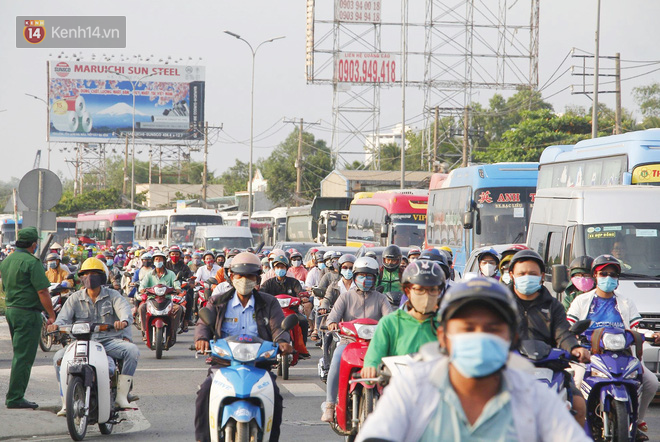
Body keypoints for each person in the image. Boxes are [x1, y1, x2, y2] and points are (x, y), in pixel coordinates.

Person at [356, 278, 591, 442]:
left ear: (513, 338)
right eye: (467, 328)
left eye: (492, 329)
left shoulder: (534, 397)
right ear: (443, 337)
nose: (479, 337)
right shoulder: (414, 389)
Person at [194, 252, 293, 442]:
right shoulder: (218, 301)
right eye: (240, 276)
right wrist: (201, 338)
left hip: (259, 364)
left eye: (250, 276)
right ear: (232, 277)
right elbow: (203, 324)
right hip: (224, 364)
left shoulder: (269, 302)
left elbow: (278, 327)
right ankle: (202, 438)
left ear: (257, 278)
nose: (244, 280)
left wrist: (282, 342)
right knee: (204, 392)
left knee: (276, 397)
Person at [566, 254, 659, 440]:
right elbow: (569, 326)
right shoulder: (581, 301)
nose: (608, 278)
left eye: (612, 274)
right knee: (574, 382)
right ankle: (574, 422)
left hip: (622, 355)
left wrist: (653, 335)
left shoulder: (626, 302)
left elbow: (636, 328)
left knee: (651, 382)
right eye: (603, 274)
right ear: (595, 276)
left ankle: (637, 421)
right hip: (588, 355)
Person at [507, 249, 590, 426]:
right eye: (521, 273)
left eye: (532, 273)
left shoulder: (553, 305)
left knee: (579, 406)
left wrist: (575, 348)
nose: (526, 277)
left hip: (550, 368)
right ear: (512, 275)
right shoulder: (500, 302)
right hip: (510, 369)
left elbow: (563, 333)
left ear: (542, 276)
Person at [48, 257, 139, 415]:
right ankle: (65, 402)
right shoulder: (74, 298)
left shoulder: (113, 295)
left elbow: (124, 310)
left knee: (132, 351)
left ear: (102, 276)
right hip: (80, 342)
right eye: (86, 274)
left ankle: (122, 396)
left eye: (94, 273)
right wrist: (56, 325)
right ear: (81, 278)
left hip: (107, 342)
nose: (90, 277)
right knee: (58, 358)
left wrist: (123, 321)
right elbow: (63, 318)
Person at [321, 256, 393, 423]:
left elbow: (389, 319)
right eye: (361, 275)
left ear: (375, 278)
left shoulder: (381, 298)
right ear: (354, 277)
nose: (365, 279)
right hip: (349, 343)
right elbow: (332, 318)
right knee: (336, 360)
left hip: (376, 345)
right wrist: (332, 324)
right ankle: (330, 404)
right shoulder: (345, 297)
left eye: (369, 276)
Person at [361, 260, 446, 380]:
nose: (426, 295)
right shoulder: (390, 323)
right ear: (407, 291)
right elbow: (374, 356)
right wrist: (370, 368)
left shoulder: (446, 324)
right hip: (397, 392)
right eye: (420, 289)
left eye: (432, 290)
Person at [1, 227, 55, 409]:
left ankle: (14, 395)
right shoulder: (32, 262)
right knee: (24, 357)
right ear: (34, 244)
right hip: (27, 313)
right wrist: (51, 314)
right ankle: (15, 397)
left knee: (19, 354)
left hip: (11, 310)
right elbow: (42, 291)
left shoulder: (8, 260)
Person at [260, 253, 309, 358]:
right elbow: (261, 293)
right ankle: (263, 349)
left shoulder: (294, 282)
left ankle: (301, 349)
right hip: (273, 313)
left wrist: (303, 297)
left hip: (292, 312)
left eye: (282, 267)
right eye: (278, 267)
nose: (280, 269)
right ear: (274, 268)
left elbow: (300, 292)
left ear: (286, 268)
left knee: (303, 321)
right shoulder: (268, 283)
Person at [139, 251, 183, 342]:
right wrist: (142, 289)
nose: (158, 261)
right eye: (156, 259)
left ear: (164, 261)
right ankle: (144, 331)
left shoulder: (171, 274)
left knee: (179, 308)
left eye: (160, 259)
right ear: (153, 261)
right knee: (141, 308)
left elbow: (176, 284)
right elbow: (142, 285)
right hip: (152, 300)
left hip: (167, 300)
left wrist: (177, 289)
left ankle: (173, 331)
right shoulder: (149, 274)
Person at [166, 245, 194, 332]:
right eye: (173, 254)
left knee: (189, 298)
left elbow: (190, 277)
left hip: (180, 289)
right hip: (167, 289)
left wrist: (190, 282)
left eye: (177, 254)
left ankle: (186, 321)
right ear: (169, 255)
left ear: (180, 255)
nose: (175, 256)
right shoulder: (165, 265)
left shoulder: (184, 266)